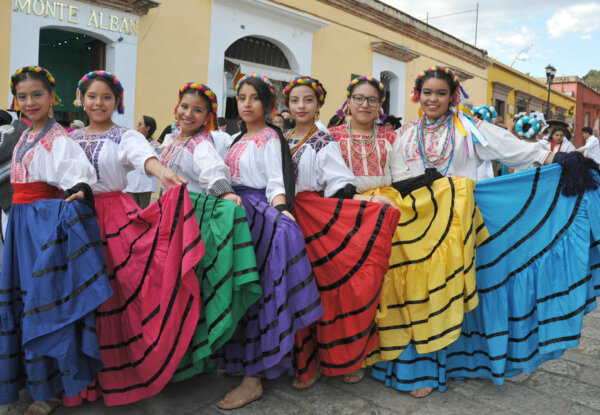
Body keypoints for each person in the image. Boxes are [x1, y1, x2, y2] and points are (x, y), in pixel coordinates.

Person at [373, 66, 600, 399]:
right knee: (417, 294)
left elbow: (513, 151)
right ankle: (417, 367)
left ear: (452, 97)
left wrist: (555, 157)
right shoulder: (406, 133)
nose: (433, 99)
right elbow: (395, 175)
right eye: (427, 93)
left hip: (458, 225)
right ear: (417, 96)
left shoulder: (469, 128)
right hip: (416, 225)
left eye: (440, 93)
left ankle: (457, 362)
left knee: (454, 288)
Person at [63, 70, 205, 407]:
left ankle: (122, 373)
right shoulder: (68, 139)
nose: (99, 103)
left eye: (106, 97)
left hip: (114, 217)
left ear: (117, 102)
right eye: (92, 96)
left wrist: (164, 172)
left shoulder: (125, 136)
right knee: (82, 297)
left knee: (120, 292)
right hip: (75, 219)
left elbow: (144, 158)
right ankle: (82, 377)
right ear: (81, 99)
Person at [1, 66, 112, 415]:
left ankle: (49, 390)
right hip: (19, 225)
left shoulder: (58, 137)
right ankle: (30, 381)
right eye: (23, 96)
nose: (30, 102)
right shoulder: (24, 136)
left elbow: (79, 179)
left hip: (43, 225)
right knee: (23, 302)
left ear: (52, 98)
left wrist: (78, 189)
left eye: (37, 94)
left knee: (43, 302)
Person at [281, 76, 400, 389]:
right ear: (288, 105)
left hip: (319, 218)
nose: (301, 106)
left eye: (308, 100)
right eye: (295, 100)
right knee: (297, 288)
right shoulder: (281, 139)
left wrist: (360, 203)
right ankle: (305, 362)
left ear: (319, 104)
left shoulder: (323, 140)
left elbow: (337, 181)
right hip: (287, 218)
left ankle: (346, 357)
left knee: (335, 289)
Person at [216, 73, 323, 410]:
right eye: (242, 97)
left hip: (257, 217)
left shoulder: (270, 137)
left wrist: (281, 212)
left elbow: (277, 181)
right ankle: (239, 364)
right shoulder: (234, 138)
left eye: (254, 98)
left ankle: (253, 380)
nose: (247, 104)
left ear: (268, 104)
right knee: (238, 292)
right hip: (233, 215)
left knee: (258, 294)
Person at [159, 82, 262, 381]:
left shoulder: (201, 144)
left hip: (189, 223)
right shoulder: (171, 139)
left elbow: (213, 174)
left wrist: (225, 194)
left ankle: (190, 357)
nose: (189, 114)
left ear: (208, 117)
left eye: (198, 110)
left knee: (186, 288)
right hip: (168, 220)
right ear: (176, 107)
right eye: (185, 107)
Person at [124, 115, 160, 208]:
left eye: (140, 124)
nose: (137, 127)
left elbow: (158, 163)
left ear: (148, 128)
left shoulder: (155, 146)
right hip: (131, 183)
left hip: (145, 184)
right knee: (131, 211)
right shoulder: (133, 142)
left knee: (143, 211)